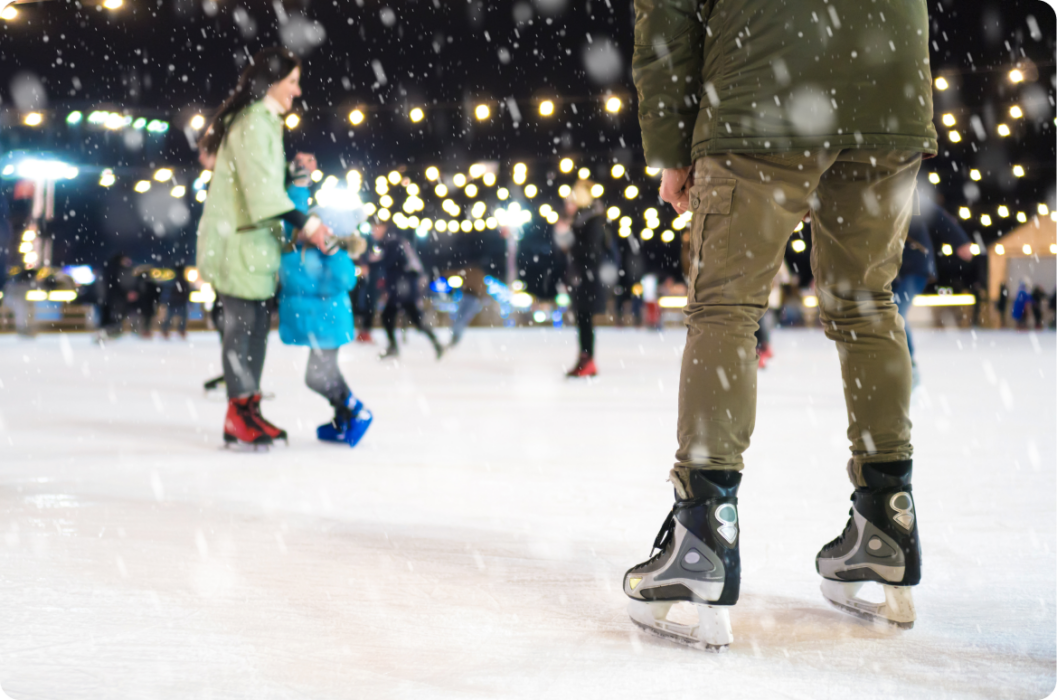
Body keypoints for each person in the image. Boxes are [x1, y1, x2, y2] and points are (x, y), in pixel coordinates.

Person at [623, 0, 936, 648]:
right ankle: (886, 515)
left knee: (725, 307)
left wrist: (669, 150)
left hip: (759, 93)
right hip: (887, 87)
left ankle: (701, 532)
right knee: (868, 302)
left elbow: (667, 22)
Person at [196, 47, 334, 448]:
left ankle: (248, 411)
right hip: (238, 243)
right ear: (271, 82)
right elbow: (263, 197)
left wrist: (293, 176)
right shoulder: (255, 123)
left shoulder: (264, 123)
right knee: (241, 333)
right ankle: (239, 413)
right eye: (291, 81)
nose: (297, 89)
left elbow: (264, 186)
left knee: (254, 332)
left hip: (253, 245)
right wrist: (309, 224)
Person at [278, 153, 374, 447]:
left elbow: (346, 280)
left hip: (328, 322)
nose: (310, 228)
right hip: (314, 322)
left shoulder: (336, 256)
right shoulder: (297, 244)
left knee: (317, 377)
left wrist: (333, 252)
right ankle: (343, 415)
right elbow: (294, 210)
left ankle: (357, 411)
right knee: (324, 374)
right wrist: (299, 182)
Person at [895, 200, 972, 386]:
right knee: (885, 313)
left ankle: (909, 365)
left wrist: (960, 240)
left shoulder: (901, 190)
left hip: (915, 264)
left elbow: (936, 214)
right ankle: (891, 363)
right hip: (889, 269)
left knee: (894, 312)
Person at [554, 180, 612, 378]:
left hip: (588, 279)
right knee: (582, 320)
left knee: (585, 321)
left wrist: (569, 239)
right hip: (582, 278)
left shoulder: (592, 220)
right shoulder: (583, 219)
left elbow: (592, 252)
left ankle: (587, 361)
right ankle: (585, 360)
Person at [376, 222, 444, 360]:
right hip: (402, 287)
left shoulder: (393, 242)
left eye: (376, 228)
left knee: (393, 316)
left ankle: (394, 347)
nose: (373, 232)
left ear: (384, 228)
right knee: (403, 317)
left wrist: (374, 261)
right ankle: (435, 343)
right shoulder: (393, 241)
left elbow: (391, 264)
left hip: (402, 288)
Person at [162, 265, 192, 339]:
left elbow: (168, 292)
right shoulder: (182, 281)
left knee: (172, 317)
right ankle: (179, 330)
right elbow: (187, 292)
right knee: (181, 317)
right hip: (178, 301)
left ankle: (167, 330)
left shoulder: (173, 281)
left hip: (175, 301)